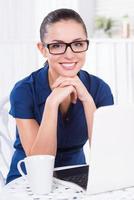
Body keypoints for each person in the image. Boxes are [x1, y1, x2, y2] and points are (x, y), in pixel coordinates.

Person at [6, 8, 114, 183]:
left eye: (78, 44)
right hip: (28, 180)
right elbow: (40, 166)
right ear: (42, 49)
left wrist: (86, 99)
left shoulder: (99, 89)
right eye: (57, 45)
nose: (69, 54)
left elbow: (107, 157)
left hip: (76, 178)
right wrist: (51, 104)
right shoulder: (24, 90)